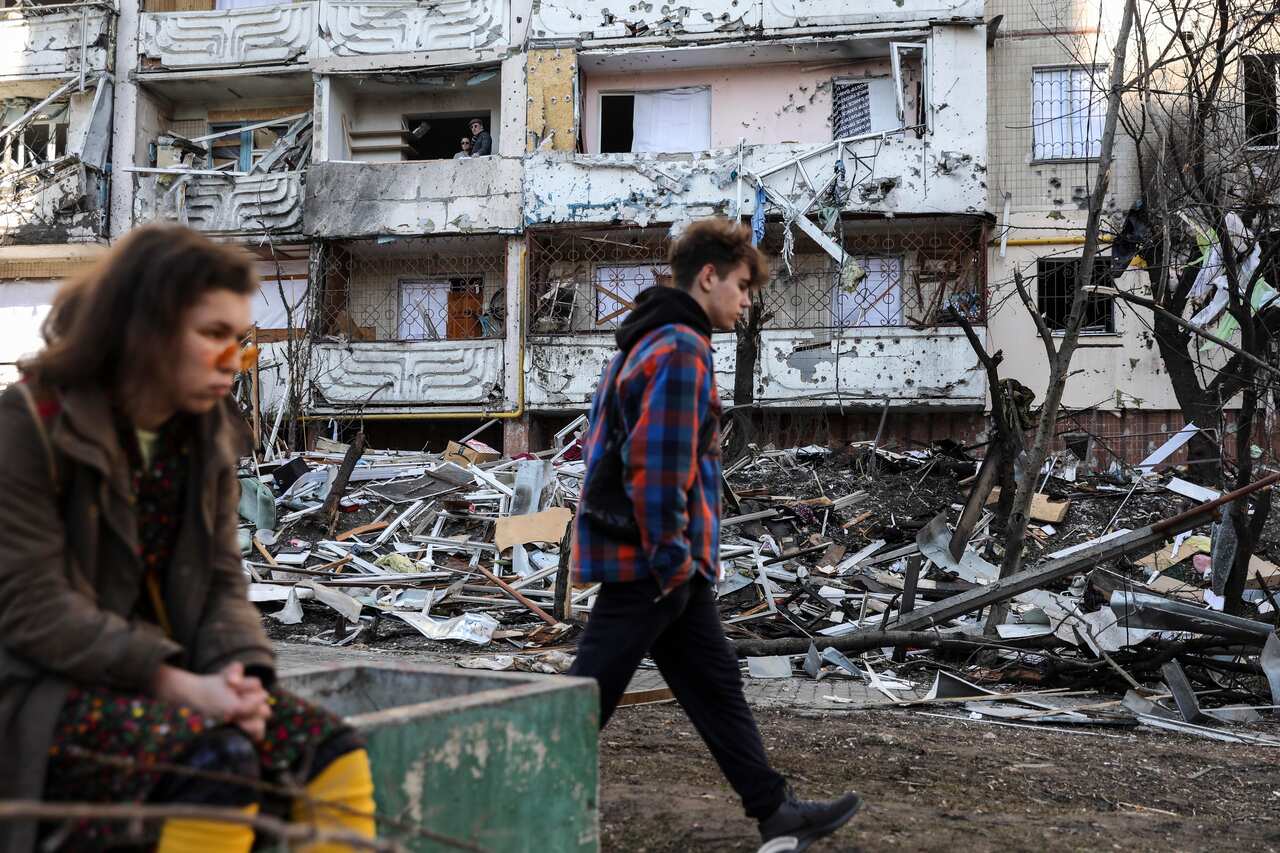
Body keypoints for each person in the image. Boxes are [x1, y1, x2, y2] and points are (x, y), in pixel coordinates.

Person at [0, 225, 377, 853]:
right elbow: (31, 606)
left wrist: (241, 678)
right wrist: (175, 682)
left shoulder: (202, 438)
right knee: (216, 763)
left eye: (241, 340)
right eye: (213, 336)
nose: (234, 361)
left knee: (330, 753)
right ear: (144, 330)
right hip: (38, 691)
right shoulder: (28, 426)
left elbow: (223, 581)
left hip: (169, 679)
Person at [568, 218, 862, 853]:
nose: (747, 299)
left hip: (659, 560)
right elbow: (657, 466)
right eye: (742, 285)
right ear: (708, 277)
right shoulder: (679, 347)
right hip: (652, 560)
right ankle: (497, 804)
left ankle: (775, 813)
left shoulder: (641, 342)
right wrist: (672, 559)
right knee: (583, 700)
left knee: (715, 684)